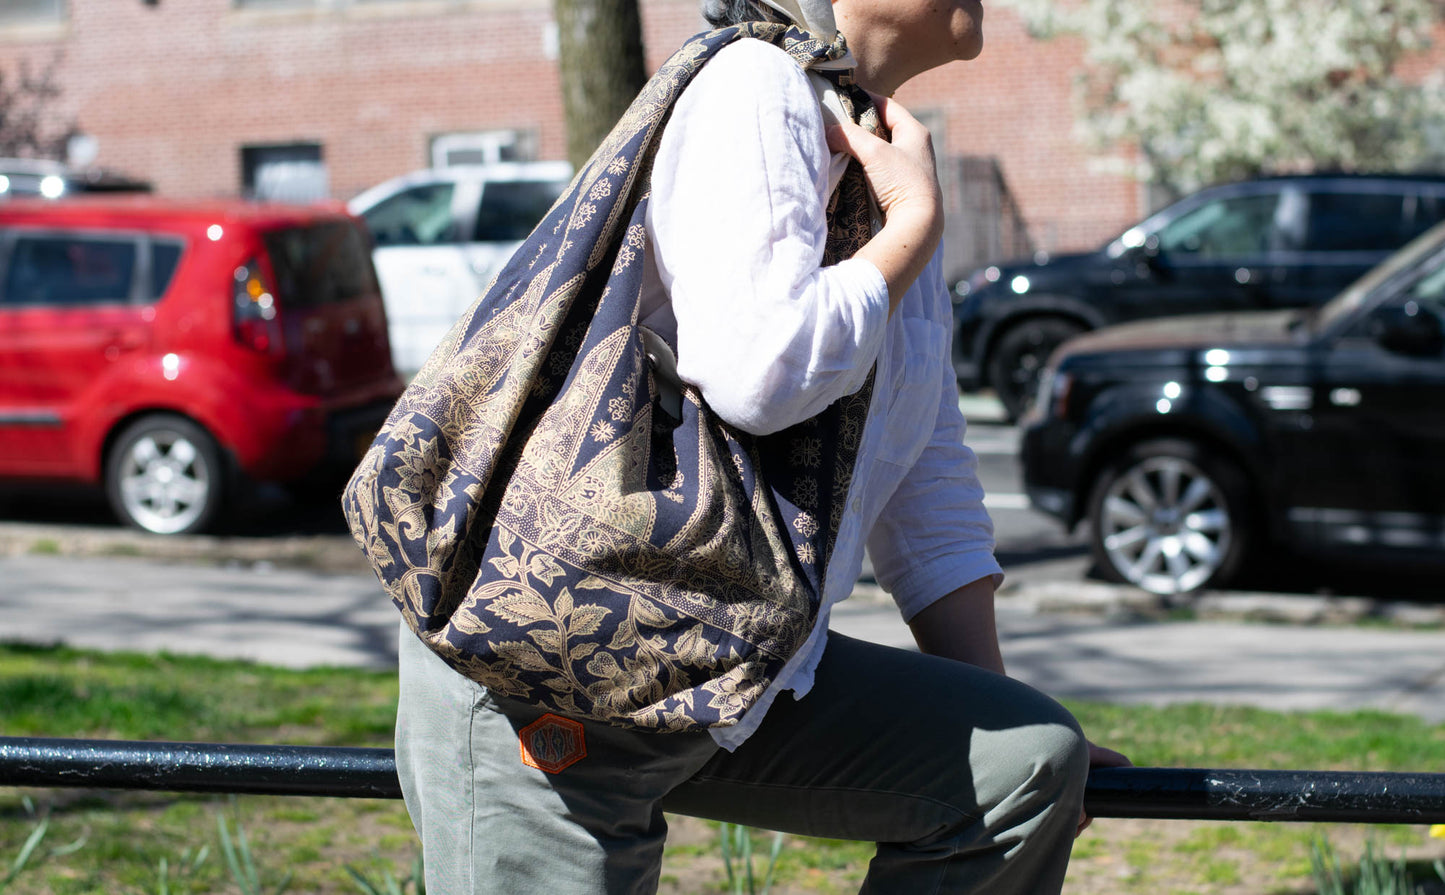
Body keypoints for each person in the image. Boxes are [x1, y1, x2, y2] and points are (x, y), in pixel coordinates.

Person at [394, 0, 1129, 891]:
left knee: (1026, 765)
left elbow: (924, 476)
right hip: (550, 658)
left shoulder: (882, 155)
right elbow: (761, 370)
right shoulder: (755, 88)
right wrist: (908, 232)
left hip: (726, 655)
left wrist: (1000, 706)